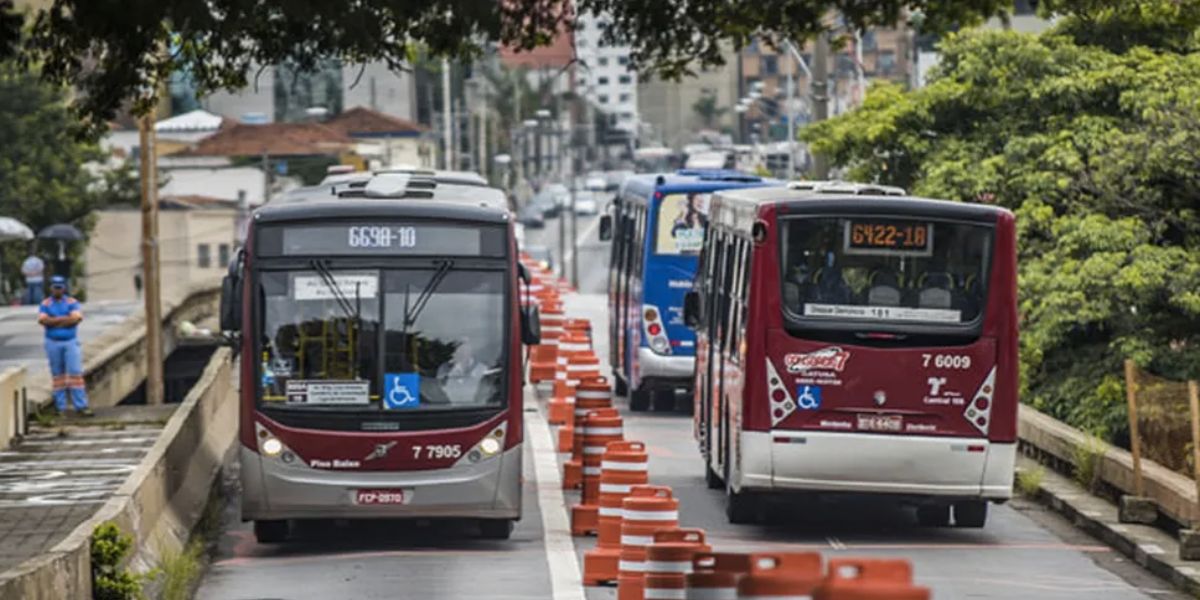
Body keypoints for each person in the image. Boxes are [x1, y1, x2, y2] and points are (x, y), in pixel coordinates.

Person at [38, 275, 91, 416]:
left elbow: (76, 319)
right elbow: (43, 320)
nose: (57, 290)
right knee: (58, 376)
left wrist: (55, 321)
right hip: (52, 342)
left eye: (60, 287)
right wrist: (65, 320)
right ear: (51, 288)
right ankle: (60, 407)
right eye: (55, 287)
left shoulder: (71, 302)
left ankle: (81, 406)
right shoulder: (46, 303)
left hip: (70, 341)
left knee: (75, 373)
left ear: (64, 288)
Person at [436, 338, 489, 405]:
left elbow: (485, 394)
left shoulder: (482, 369)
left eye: (466, 349)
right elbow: (439, 391)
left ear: (471, 350)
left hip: (476, 409)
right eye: (459, 349)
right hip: (450, 409)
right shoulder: (444, 369)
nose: (463, 352)